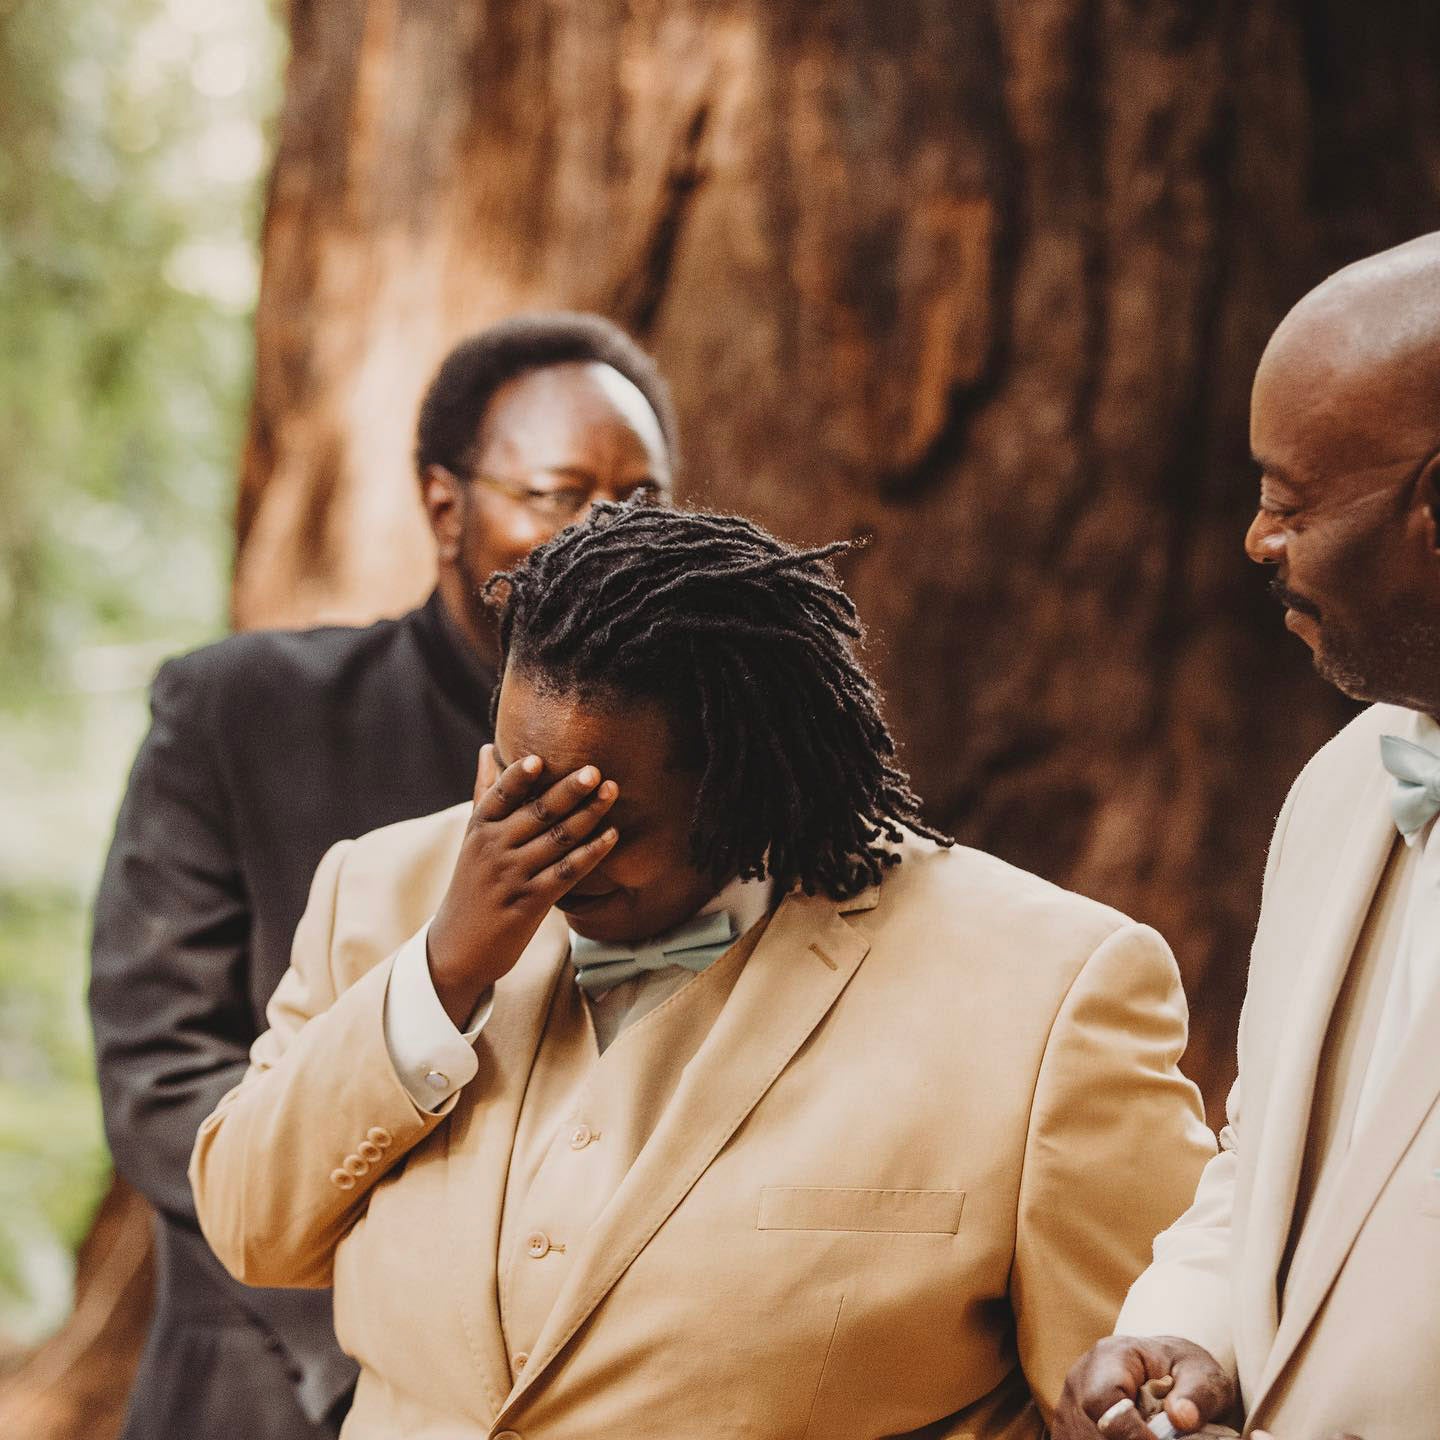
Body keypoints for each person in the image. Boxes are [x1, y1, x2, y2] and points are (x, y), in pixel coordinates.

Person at [190, 502, 1214, 1440]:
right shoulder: (378, 893)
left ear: (752, 789)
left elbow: (1137, 1386)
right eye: (513, 784)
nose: (547, 854)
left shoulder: (1048, 991)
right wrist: (440, 975)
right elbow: (249, 1228)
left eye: (603, 822)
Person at [89, 313, 677, 1440]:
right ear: (446, 506)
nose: (606, 534)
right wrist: (383, 1326)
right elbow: (164, 1078)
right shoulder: (244, 711)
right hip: (271, 1368)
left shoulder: (698, 772)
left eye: (642, 500)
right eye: (557, 494)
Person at [1054, 233, 1440, 1440]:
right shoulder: (1340, 790)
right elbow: (1263, 1159)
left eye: (1289, 501)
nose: (1255, 542)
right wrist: (1187, 1333)